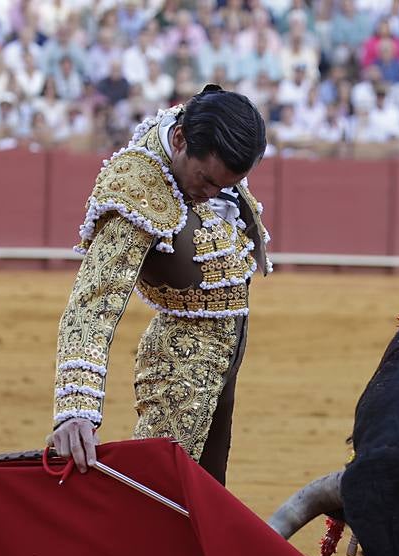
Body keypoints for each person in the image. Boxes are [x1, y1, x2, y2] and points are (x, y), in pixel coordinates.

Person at [47, 86, 270, 485]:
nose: (212, 194)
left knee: (206, 494)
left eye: (225, 186)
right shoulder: (136, 190)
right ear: (180, 141)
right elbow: (92, 303)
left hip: (226, 357)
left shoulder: (207, 128)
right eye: (206, 179)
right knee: (160, 494)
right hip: (178, 366)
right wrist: (76, 408)